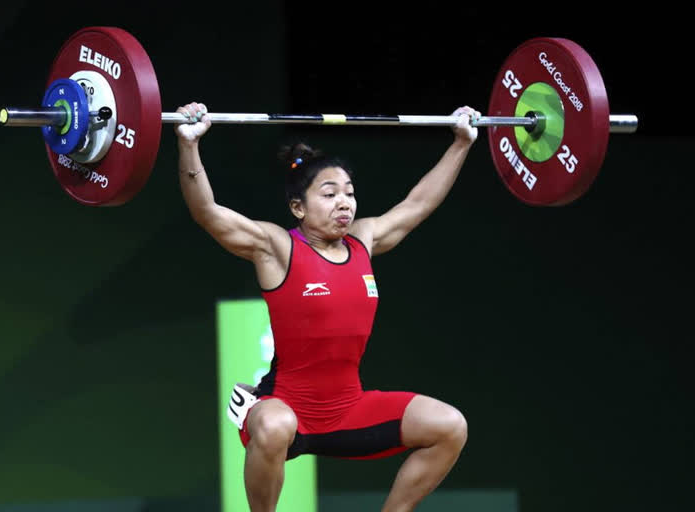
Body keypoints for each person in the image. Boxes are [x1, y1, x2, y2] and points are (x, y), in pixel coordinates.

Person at [175, 102, 480, 512]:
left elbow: (416, 206)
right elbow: (208, 213)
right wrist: (189, 145)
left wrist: (461, 143)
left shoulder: (364, 240)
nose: (345, 203)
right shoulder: (277, 248)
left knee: (450, 426)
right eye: (330, 194)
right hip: (287, 410)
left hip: (349, 410)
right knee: (275, 424)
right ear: (298, 208)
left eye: (350, 194)